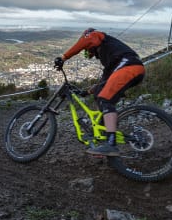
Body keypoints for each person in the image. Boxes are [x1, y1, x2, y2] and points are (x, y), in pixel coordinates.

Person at [56, 28, 145, 156]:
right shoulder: (109, 59)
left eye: (88, 50)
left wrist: (63, 57)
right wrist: (87, 92)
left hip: (129, 66)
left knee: (105, 99)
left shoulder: (96, 35)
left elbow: (87, 40)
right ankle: (105, 136)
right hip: (132, 70)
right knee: (100, 94)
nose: (89, 52)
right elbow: (105, 80)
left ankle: (111, 144)